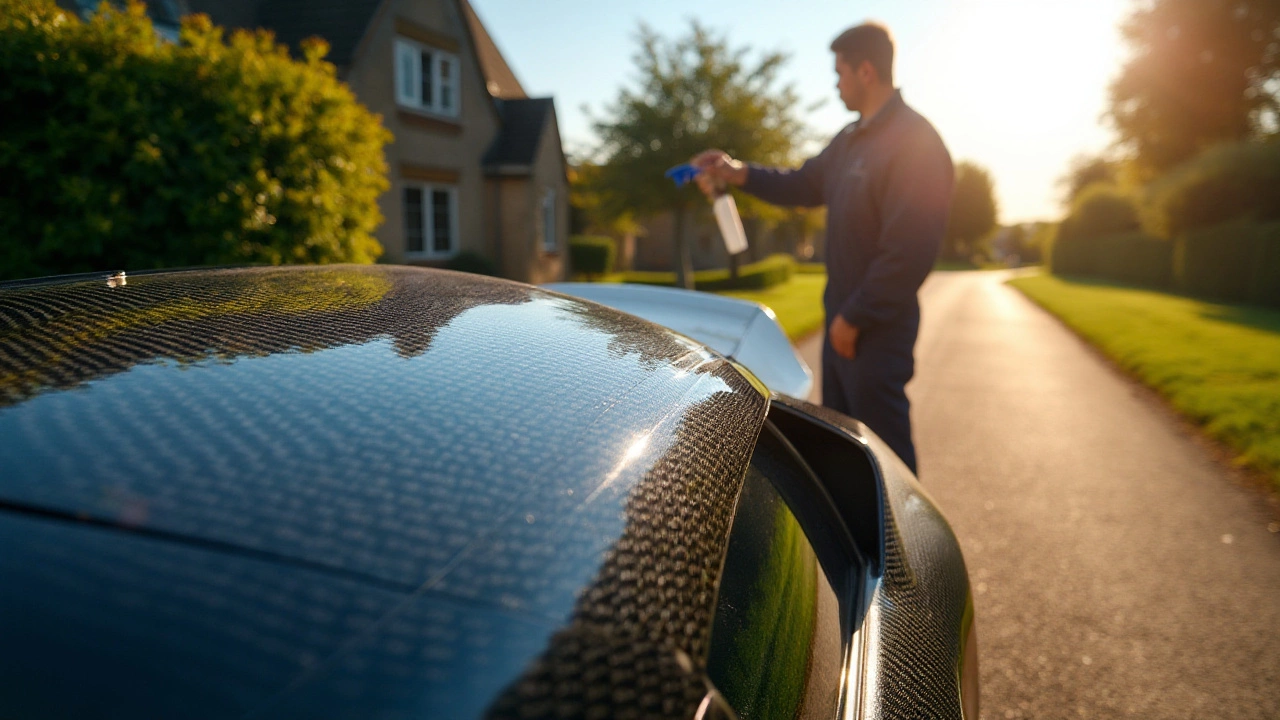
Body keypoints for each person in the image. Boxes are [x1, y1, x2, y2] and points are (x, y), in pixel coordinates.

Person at [693, 22, 953, 474]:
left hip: (876, 333)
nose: (836, 84)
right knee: (842, 454)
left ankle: (904, 546)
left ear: (866, 71)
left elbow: (909, 251)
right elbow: (801, 183)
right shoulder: (849, 141)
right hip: (841, 325)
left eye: (840, 74)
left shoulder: (917, 144)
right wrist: (737, 173)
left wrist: (855, 318)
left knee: (887, 464)